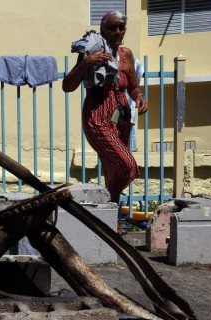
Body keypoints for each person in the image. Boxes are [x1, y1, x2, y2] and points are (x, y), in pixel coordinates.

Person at [62, 11, 148, 206]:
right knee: (127, 165)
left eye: (121, 27)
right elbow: (67, 86)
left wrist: (140, 97)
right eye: (112, 28)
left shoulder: (126, 55)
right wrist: (85, 63)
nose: (117, 32)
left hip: (121, 120)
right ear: (103, 30)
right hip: (98, 118)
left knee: (113, 171)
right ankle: (108, 208)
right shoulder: (93, 51)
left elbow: (133, 87)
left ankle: (110, 219)